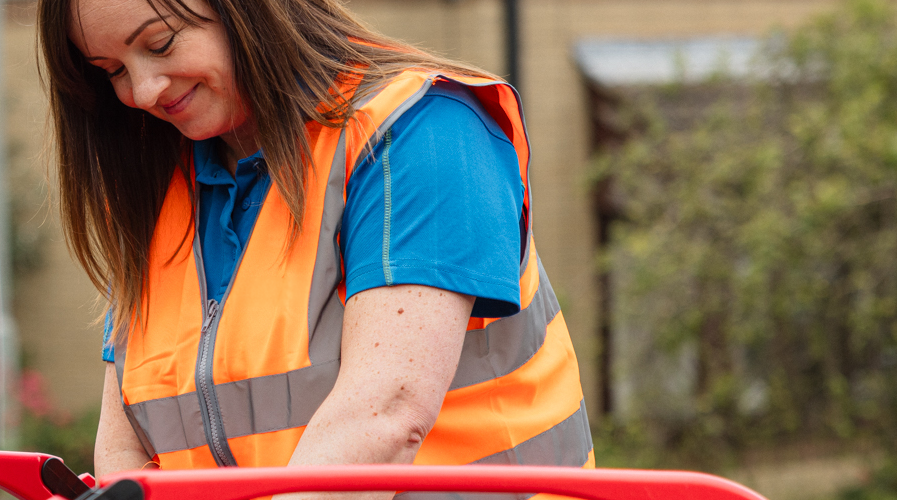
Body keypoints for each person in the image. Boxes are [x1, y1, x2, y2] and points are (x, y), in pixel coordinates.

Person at [38, 0, 593, 497]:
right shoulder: (157, 191)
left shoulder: (423, 131)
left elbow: (384, 415)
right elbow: (123, 451)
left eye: (160, 43)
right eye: (110, 71)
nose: (143, 91)